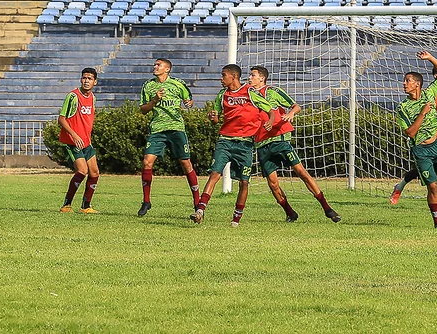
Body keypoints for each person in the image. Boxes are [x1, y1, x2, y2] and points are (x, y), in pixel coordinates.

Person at [248, 66, 341, 223]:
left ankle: (327, 208)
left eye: (252, 75)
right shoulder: (248, 95)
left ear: (262, 78)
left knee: (300, 171)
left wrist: (290, 113)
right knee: (272, 183)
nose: (249, 78)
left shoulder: (273, 91)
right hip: (262, 142)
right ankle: (290, 213)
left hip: (280, 139)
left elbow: (296, 106)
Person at [190, 64, 275, 227]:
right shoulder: (222, 95)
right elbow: (216, 120)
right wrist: (212, 117)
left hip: (245, 144)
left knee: (244, 182)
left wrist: (270, 122)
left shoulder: (250, 92)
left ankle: (236, 218)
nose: (221, 79)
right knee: (215, 174)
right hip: (225, 141)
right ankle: (200, 211)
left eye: (223, 75)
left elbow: (270, 111)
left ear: (233, 77)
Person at [137, 58, 200, 217]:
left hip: (176, 129)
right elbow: (143, 109)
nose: (155, 67)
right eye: (155, 64)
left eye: (159, 65)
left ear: (167, 69)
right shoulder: (148, 86)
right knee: (147, 162)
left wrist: (189, 103)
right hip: (157, 130)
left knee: (186, 164)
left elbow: (189, 100)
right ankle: (146, 201)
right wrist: (155, 100)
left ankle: (197, 203)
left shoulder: (178, 84)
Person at [396, 51, 437, 229]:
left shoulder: (429, 94)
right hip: (420, 150)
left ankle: (403, 183)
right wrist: (422, 113)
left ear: (417, 84)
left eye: (408, 81)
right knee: (433, 187)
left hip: (436, 146)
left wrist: (430, 59)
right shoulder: (402, 107)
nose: (404, 84)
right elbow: (410, 133)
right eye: (405, 81)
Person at [391, 84, 437, 204]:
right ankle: (402, 188)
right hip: (428, 139)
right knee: (421, 169)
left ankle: (435, 194)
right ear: (435, 75)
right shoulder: (427, 95)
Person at [58, 68, 100, 214]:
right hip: (72, 142)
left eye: (89, 78)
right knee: (82, 171)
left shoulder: (93, 98)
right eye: (84, 78)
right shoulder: (73, 96)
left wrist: (87, 137)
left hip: (86, 143)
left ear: (95, 81)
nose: (86, 81)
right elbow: (62, 119)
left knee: (94, 173)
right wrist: (75, 135)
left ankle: (86, 206)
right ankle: (66, 205)